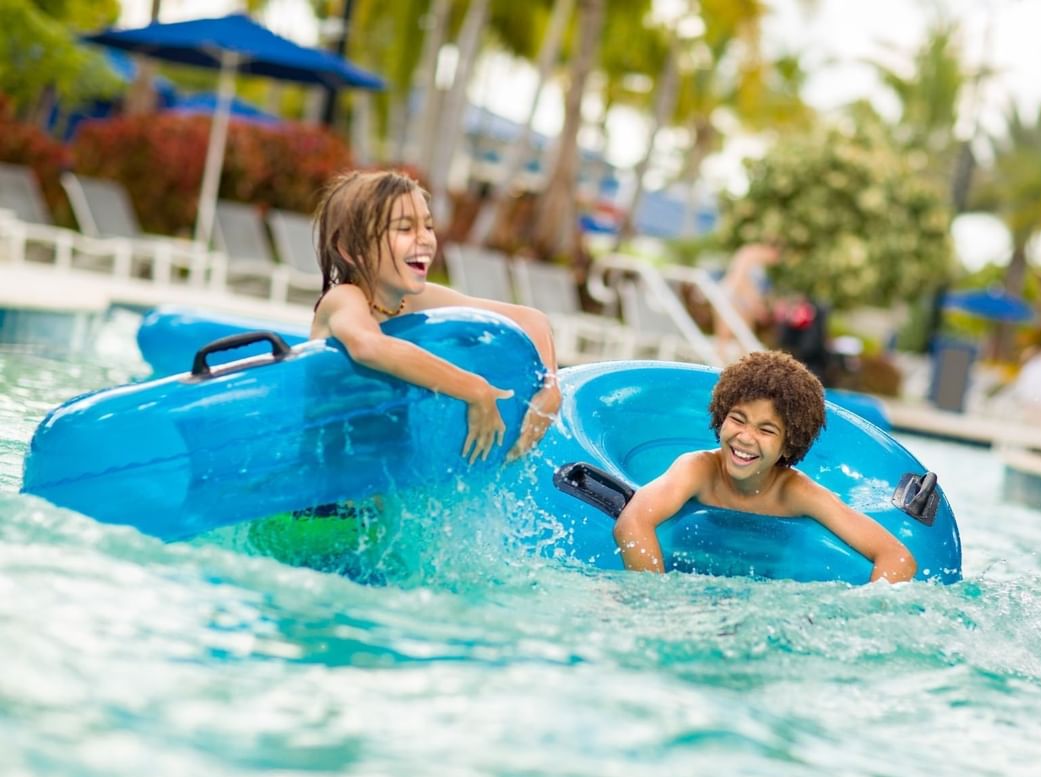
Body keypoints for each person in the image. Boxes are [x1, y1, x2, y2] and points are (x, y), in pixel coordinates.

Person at [311, 169, 561, 462]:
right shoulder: (343, 299)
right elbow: (368, 346)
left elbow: (530, 318)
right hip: (331, 485)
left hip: (385, 475)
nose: (425, 239)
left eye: (428, 226)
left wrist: (550, 384)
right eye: (405, 228)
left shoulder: (416, 300)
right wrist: (474, 389)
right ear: (352, 249)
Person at [613, 351, 917, 583]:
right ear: (721, 416)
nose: (746, 438)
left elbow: (897, 556)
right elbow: (633, 521)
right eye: (738, 419)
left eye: (766, 430)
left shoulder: (795, 492)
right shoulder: (698, 470)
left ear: (789, 444)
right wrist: (652, 597)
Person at [715, 242, 780, 357]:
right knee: (725, 335)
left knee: (745, 335)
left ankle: (742, 365)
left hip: (743, 300)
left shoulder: (761, 263)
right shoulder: (749, 253)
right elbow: (739, 279)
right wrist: (755, 304)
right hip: (732, 296)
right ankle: (719, 362)